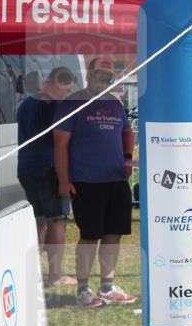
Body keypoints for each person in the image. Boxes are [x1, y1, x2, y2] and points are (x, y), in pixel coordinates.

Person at [53, 57, 137, 307]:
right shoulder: (72, 103)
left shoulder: (115, 103)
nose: (104, 81)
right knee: (90, 235)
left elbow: (127, 131)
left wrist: (127, 158)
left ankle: (107, 287)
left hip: (115, 179)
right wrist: (64, 180)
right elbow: (60, 144)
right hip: (86, 181)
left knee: (115, 233)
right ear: (88, 75)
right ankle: (83, 290)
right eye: (100, 76)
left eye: (108, 78)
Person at [17, 67, 78, 287]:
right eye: (66, 89)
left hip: (26, 167)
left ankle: (32, 271)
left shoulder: (25, 104)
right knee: (57, 221)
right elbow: (61, 138)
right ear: (56, 82)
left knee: (40, 221)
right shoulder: (52, 106)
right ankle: (55, 275)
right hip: (47, 167)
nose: (66, 94)